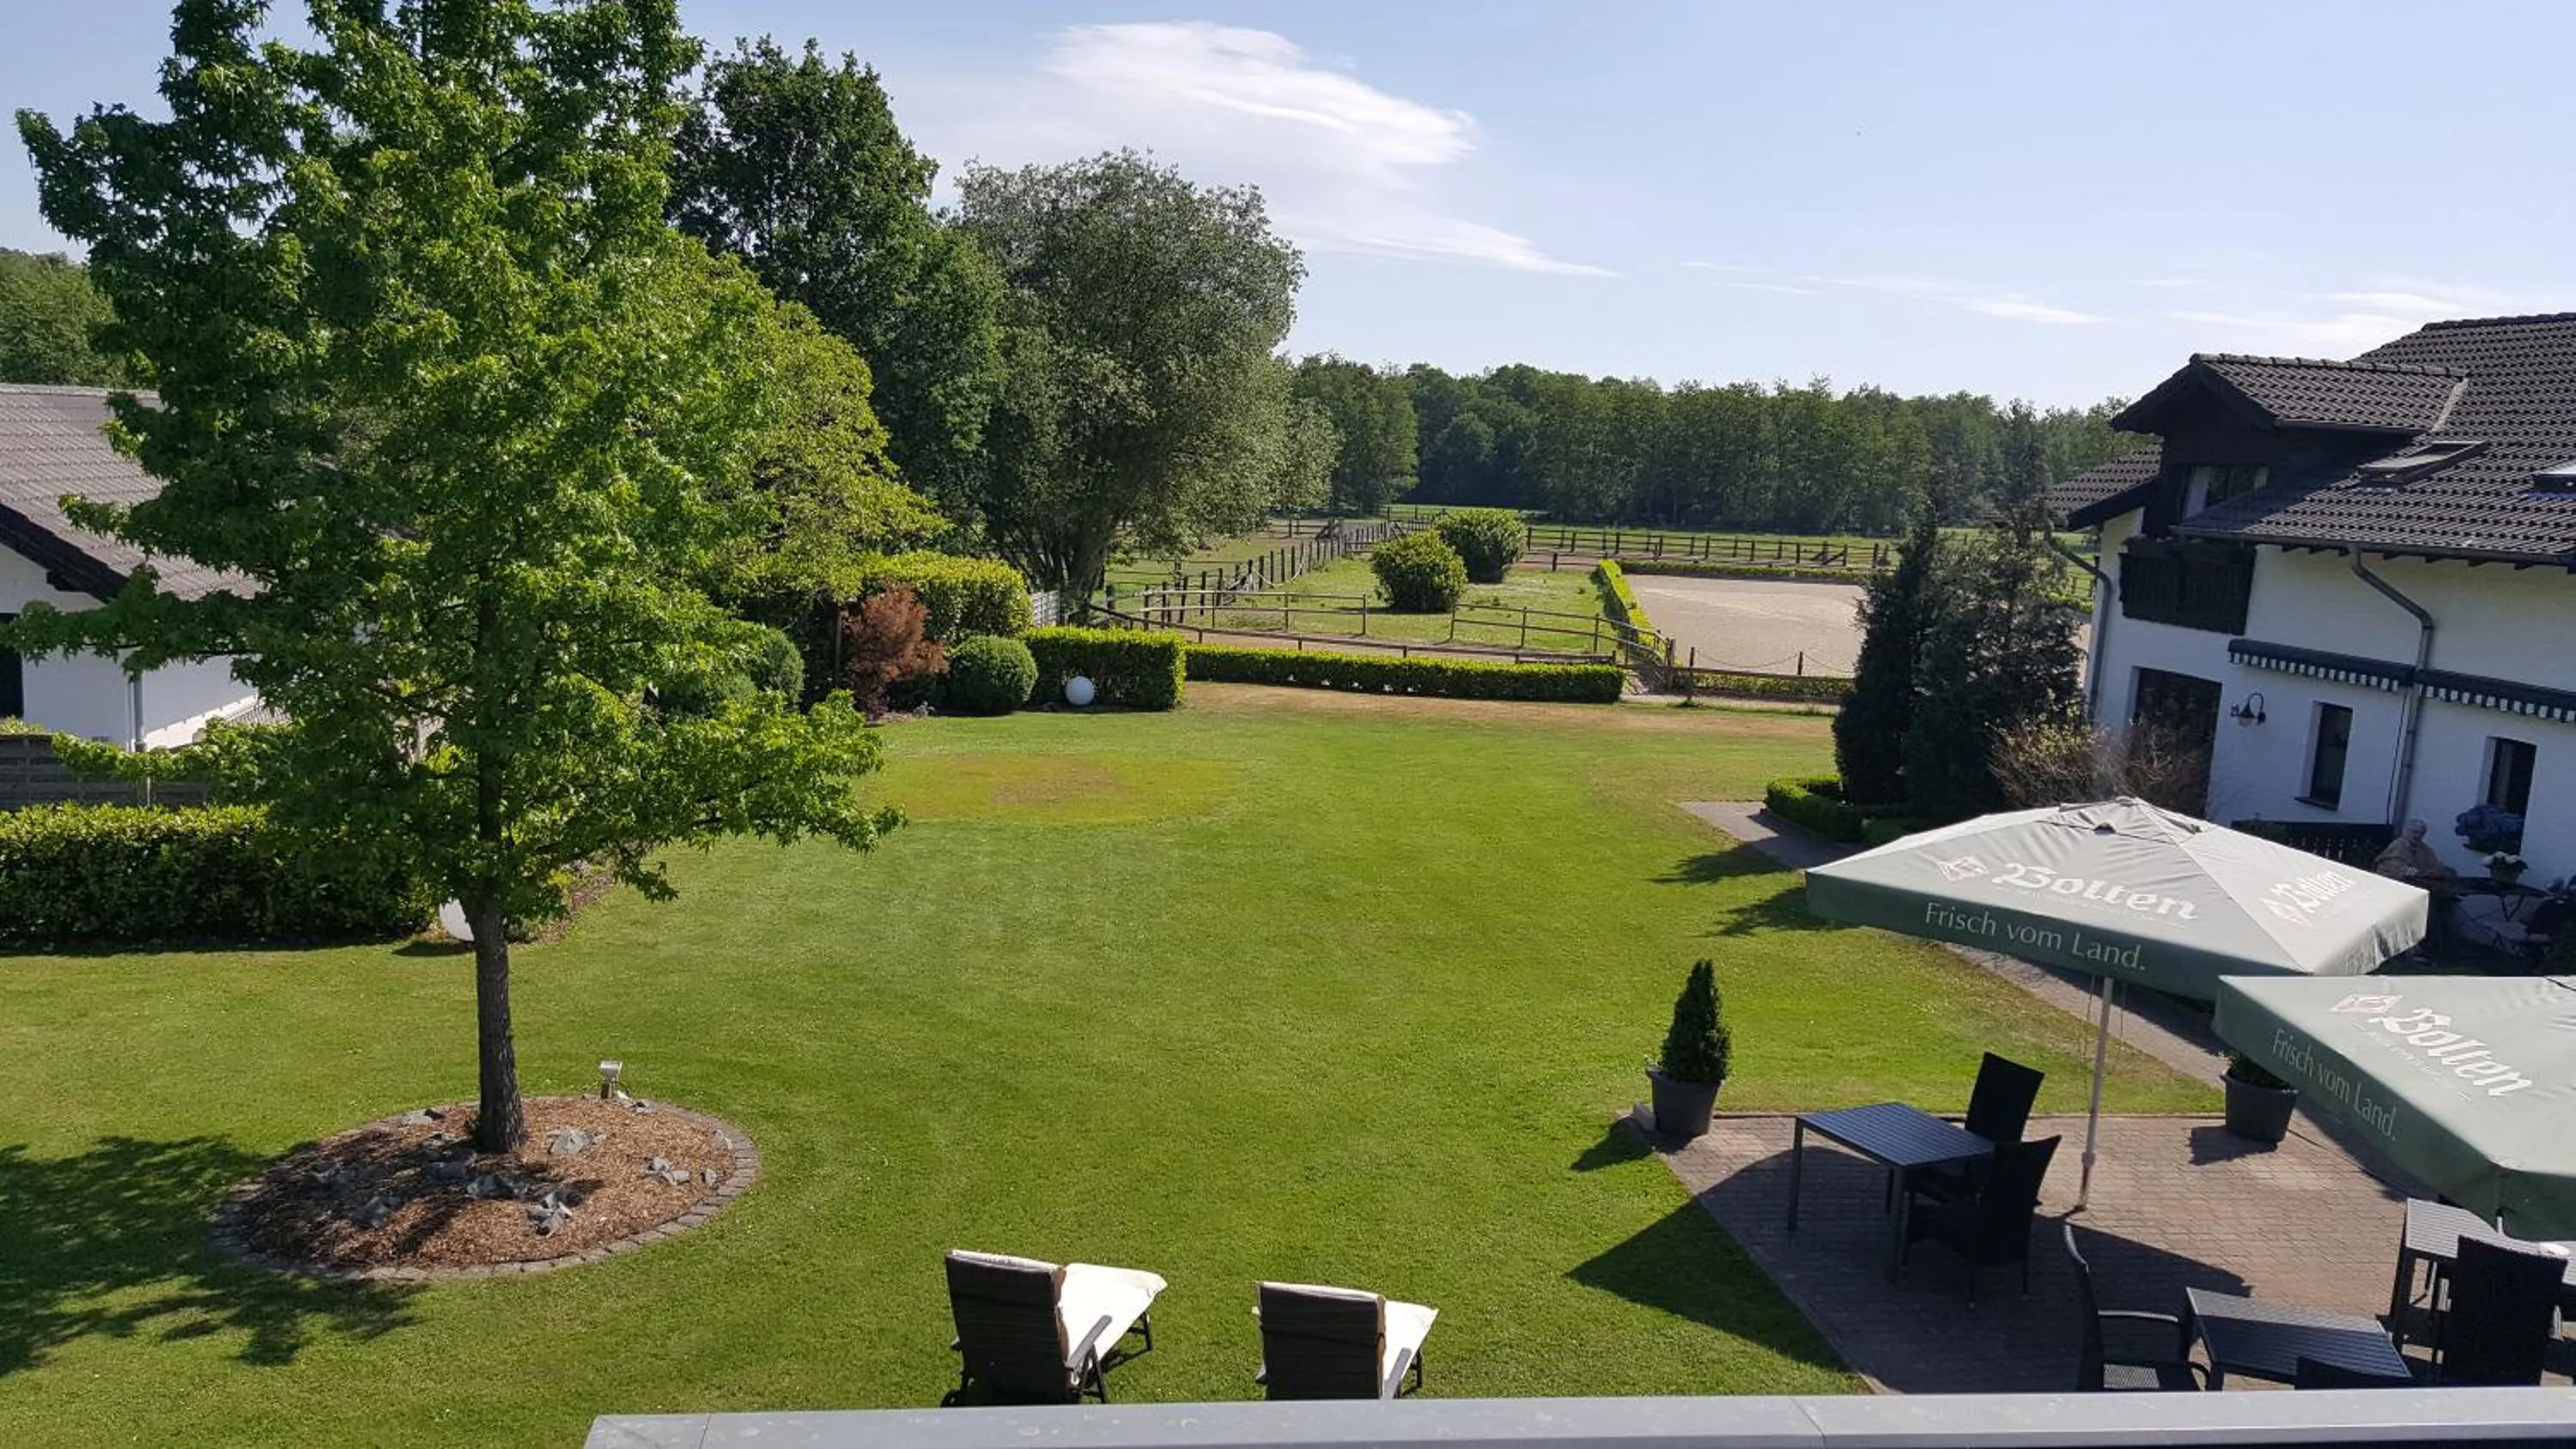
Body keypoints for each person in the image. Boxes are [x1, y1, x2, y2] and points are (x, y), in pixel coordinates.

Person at [2372, 819, 2456, 882]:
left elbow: (2435, 866)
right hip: (2392, 884)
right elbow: (2400, 871)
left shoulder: (2425, 849)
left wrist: (2444, 871)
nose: (2418, 836)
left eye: (2421, 833)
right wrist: (2427, 873)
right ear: (2406, 831)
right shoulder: (2397, 846)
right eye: (2415, 832)